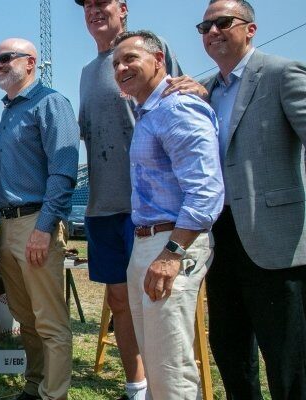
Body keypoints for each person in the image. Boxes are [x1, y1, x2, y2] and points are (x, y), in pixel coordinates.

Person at [164, 0, 306, 397]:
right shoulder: (206, 90)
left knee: (287, 359)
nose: (212, 32)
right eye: (204, 27)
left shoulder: (281, 73)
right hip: (220, 237)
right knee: (229, 348)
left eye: (223, 22)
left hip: (275, 240)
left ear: (250, 29)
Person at [74, 1, 182, 398]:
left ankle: (164, 388)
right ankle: (136, 387)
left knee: (153, 304)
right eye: (87, 5)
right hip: (103, 205)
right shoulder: (87, 72)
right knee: (119, 300)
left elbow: (181, 100)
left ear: (122, 8)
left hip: (147, 208)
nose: (93, 10)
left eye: (101, 2)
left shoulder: (151, 49)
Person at [112, 30, 224, 399]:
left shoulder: (178, 108)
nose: (121, 68)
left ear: (159, 60)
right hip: (147, 241)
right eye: (116, 63)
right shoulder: (149, 113)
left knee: (170, 370)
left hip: (171, 242)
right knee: (157, 364)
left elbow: (205, 190)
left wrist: (172, 253)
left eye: (130, 58)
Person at [0, 38, 79, 400]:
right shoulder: (9, 110)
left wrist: (45, 227)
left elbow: (63, 171)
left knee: (49, 319)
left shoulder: (51, 103)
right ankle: (34, 386)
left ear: (30, 63)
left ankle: (53, 394)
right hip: (8, 222)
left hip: (35, 220)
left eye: (7, 58)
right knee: (25, 316)